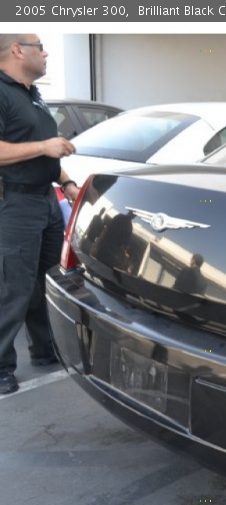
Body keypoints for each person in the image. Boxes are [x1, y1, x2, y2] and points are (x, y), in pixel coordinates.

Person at [0, 34, 81, 394]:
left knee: (45, 282)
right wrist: (44, 146)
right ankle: (2, 367)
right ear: (18, 50)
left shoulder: (32, 93)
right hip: (14, 204)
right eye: (39, 46)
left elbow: (43, 154)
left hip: (46, 202)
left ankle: (46, 350)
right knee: (11, 288)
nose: (46, 52)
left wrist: (66, 182)